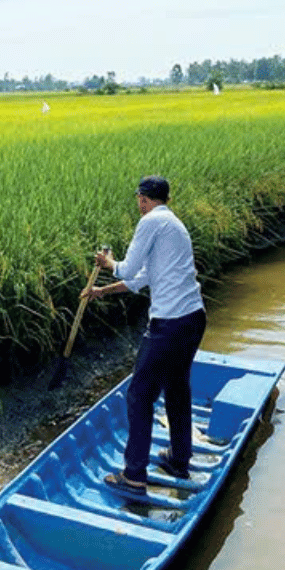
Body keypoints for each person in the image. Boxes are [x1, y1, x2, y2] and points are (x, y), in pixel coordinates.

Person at [81, 175, 207, 495]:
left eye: (138, 198)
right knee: (177, 388)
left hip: (169, 324)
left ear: (143, 199)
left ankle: (134, 475)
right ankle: (179, 459)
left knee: (139, 394)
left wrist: (108, 262)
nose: (138, 203)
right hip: (193, 318)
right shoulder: (173, 226)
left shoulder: (150, 222)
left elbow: (126, 268)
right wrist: (100, 292)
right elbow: (142, 278)